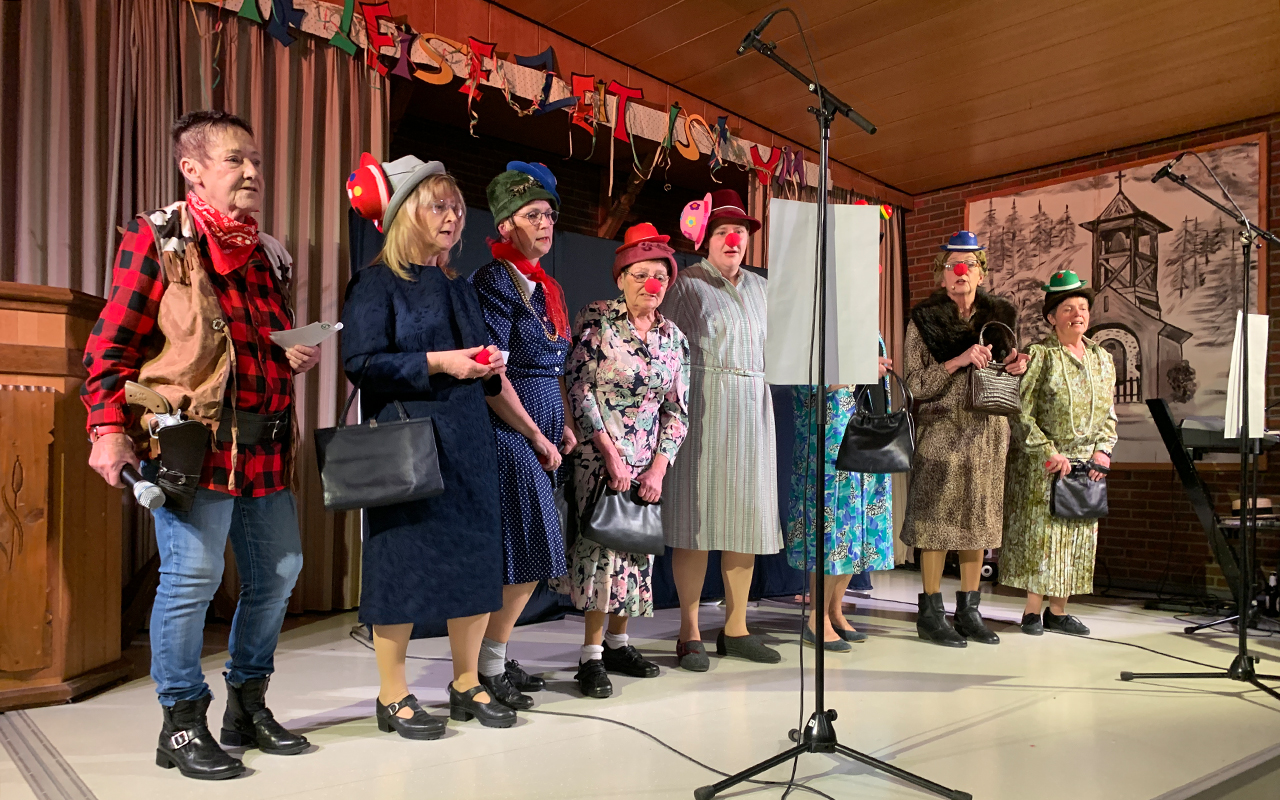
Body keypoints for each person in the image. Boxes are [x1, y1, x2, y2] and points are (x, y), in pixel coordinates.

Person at [83, 110, 319, 779]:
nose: (250, 172)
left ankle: (247, 704)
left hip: (266, 447)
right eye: (234, 160)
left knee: (278, 574)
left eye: (255, 161)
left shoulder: (270, 252)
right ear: (192, 167)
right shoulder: (158, 239)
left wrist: (290, 356)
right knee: (191, 581)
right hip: (194, 448)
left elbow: (242, 350)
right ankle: (181, 722)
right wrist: (106, 428)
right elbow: (110, 349)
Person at [341, 152, 514, 738]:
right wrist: (441, 362)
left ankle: (465, 682)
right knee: (402, 563)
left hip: (468, 440)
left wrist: (489, 365)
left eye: (457, 207)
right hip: (407, 440)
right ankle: (393, 695)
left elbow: (479, 357)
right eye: (438, 205)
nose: (453, 216)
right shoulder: (374, 283)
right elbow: (361, 364)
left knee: (476, 559)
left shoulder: (458, 287)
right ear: (404, 211)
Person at [553, 223, 690, 699]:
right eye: (640, 274)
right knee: (603, 556)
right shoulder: (598, 320)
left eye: (660, 275)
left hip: (646, 463)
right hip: (600, 459)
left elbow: (677, 409)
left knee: (636, 552)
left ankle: (619, 643)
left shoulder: (674, 338)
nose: (651, 284)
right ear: (621, 278)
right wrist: (609, 453)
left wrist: (659, 466)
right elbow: (579, 386)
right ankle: (590, 657)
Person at [469, 162, 577, 710]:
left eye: (550, 215)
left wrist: (564, 423)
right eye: (533, 215)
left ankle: (497, 652)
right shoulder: (494, 281)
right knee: (527, 552)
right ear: (506, 223)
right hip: (507, 431)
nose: (546, 223)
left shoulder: (545, 287)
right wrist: (537, 434)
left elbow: (550, 367)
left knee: (530, 553)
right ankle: (487, 665)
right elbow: (495, 372)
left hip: (541, 432)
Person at [661, 189, 783, 670]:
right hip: (705, 408)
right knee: (696, 520)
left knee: (746, 520)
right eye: (722, 232)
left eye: (741, 233)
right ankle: (689, 629)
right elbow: (666, 349)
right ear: (706, 241)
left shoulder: (762, 287)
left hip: (753, 408)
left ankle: (735, 628)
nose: (733, 239)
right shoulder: (687, 284)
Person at [901, 231, 1028, 648]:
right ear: (941, 275)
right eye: (952, 265)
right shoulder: (922, 323)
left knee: (979, 522)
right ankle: (931, 612)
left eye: (970, 264)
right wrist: (956, 361)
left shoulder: (1000, 320)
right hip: (942, 433)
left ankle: (969, 610)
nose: (961, 271)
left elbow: (1008, 376)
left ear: (981, 273)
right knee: (936, 523)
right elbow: (915, 385)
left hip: (988, 435)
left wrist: (1015, 367)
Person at [1002, 270, 1117, 636]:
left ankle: (1059, 611)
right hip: (1045, 463)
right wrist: (1047, 452)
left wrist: (1103, 452)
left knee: (1076, 535)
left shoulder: (1102, 358)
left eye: (1082, 308)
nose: (1077, 314)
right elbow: (1021, 411)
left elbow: (1109, 414)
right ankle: (1032, 612)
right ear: (1052, 316)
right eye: (1068, 308)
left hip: (1086, 465)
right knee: (1044, 537)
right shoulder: (1040, 354)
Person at [787, 342, 895, 652]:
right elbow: (806, 387)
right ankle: (815, 619)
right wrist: (857, 369)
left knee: (856, 528)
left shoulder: (864, 326)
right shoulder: (815, 325)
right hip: (829, 435)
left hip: (865, 430)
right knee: (831, 527)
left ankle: (835, 611)